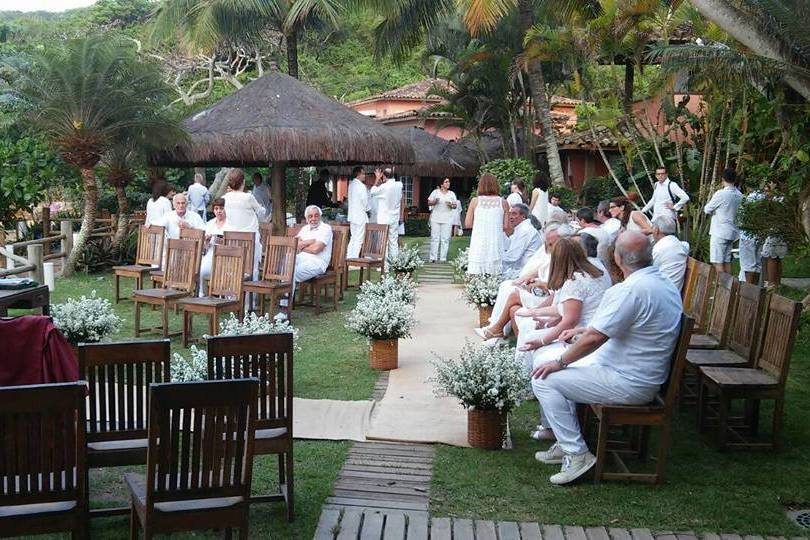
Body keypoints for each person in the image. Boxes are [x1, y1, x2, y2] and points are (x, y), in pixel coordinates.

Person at [531, 231, 682, 485]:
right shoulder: (662, 283)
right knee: (547, 363)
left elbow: (595, 339)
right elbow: (617, 327)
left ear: (617, 258)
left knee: (545, 378)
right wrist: (581, 333)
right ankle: (563, 438)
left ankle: (576, 453)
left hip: (628, 380)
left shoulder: (633, 289)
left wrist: (561, 362)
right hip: (635, 371)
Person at [223, 168, 267, 279]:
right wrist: (262, 209)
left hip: (232, 239)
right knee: (252, 268)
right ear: (243, 182)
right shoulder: (248, 197)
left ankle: (232, 295)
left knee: (233, 266)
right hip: (250, 239)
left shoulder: (224, 198)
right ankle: (251, 294)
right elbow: (261, 213)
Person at [466, 173, 509, 275]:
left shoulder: (475, 201)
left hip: (479, 242)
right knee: (494, 274)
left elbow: (468, 224)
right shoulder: (503, 203)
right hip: (495, 242)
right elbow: (506, 226)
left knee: (475, 273)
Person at [704, 168, 743, 274]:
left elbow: (707, 209)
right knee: (726, 261)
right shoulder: (740, 195)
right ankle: (729, 287)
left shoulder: (721, 194)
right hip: (733, 232)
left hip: (720, 231)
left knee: (717, 262)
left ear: (722, 179)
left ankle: (722, 287)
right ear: (735, 180)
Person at [370, 168, 404, 264]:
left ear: (384, 176)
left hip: (384, 218)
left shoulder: (384, 187)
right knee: (393, 241)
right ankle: (395, 264)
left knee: (383, 242)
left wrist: (377, 178)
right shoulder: (399, 185)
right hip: (394, 217)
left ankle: (384, 265)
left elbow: (372, 191)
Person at [294, 205, 333, 285]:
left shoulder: (325, 228)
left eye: (316, 215)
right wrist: (310, 242)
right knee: (285, 264)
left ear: (320, 216)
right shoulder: (305, 228)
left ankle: (287, 296)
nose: (313, 219)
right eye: (310, 216)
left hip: (318, 262)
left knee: (293, 272)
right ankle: (287, 295)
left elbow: (316, 249)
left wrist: (302, 246)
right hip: (302, 258)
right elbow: (295, 243)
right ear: (306, 218)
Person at [651, 214, 690, 290]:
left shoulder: (659, 248)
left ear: (656, 230)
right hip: (673, 292)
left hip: (661, 294)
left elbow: (648, 272)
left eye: (652, 228)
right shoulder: (679, 244)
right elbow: (686, 245)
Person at [502, 204, 542, 274]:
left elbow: (513, 256)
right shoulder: (521, 229)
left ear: (523, 216)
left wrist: (494, 258)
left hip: (527, 271)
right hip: (522, 268)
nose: (510, 217)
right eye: (510, 214)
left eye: (514, 214)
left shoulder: (525, 230)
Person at [199, 198, 228, 295]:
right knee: (202, 269)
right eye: (216, 209)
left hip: (227, 255)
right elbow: (204, 246)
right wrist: (206, 240)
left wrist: (224, 241)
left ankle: (226, 296)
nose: (219, 211)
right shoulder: (210, 223)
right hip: (211, 252)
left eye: (221, 208)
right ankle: (203, 295)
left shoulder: (231, 223)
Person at [427, 178, 458, 263]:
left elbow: (455, 206)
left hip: (447, 218)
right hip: (436, 218)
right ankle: (433, 257)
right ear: (441, 184)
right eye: (446, 182)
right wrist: (434, 202)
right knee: (435, 238)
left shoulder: (451, 194)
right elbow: (429, 202)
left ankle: (443, 258)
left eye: (449, 182)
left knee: (445, 238)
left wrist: (451, 205)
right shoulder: (435, 192)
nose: (448, 183)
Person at [739, 190, 765, 284]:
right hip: (759, 234)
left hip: (748, 234)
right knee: (757, 266)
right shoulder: (764, 197)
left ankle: (748, 293)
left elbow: (743, 217)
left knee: (748, 266)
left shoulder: (751, 197)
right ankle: (754, 292)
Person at [346, 166, 370, 259]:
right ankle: (354, 258)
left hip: (352, 216)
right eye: (363, 173)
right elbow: (365, 201)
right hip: (360, 216)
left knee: (353, 237)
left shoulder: (351, 185)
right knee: (359, 239)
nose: (365, 176)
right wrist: (368, 209)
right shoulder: (361, 186)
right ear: (358, 174)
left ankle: (349, 257)